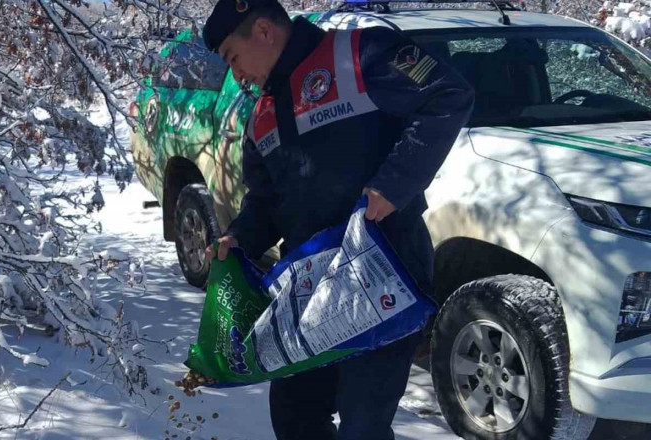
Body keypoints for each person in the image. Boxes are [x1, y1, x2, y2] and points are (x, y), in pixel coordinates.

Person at [201, 1, 475, 439]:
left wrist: (392, 186)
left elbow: (448, 95)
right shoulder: (262, 116)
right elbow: (266, 201)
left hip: (385, 272)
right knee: (294, 414)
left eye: (233, 57)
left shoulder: (357, 55)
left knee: (363, 423)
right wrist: (238, 237)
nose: (236, 76)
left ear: (265, 32)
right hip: (309, 287)